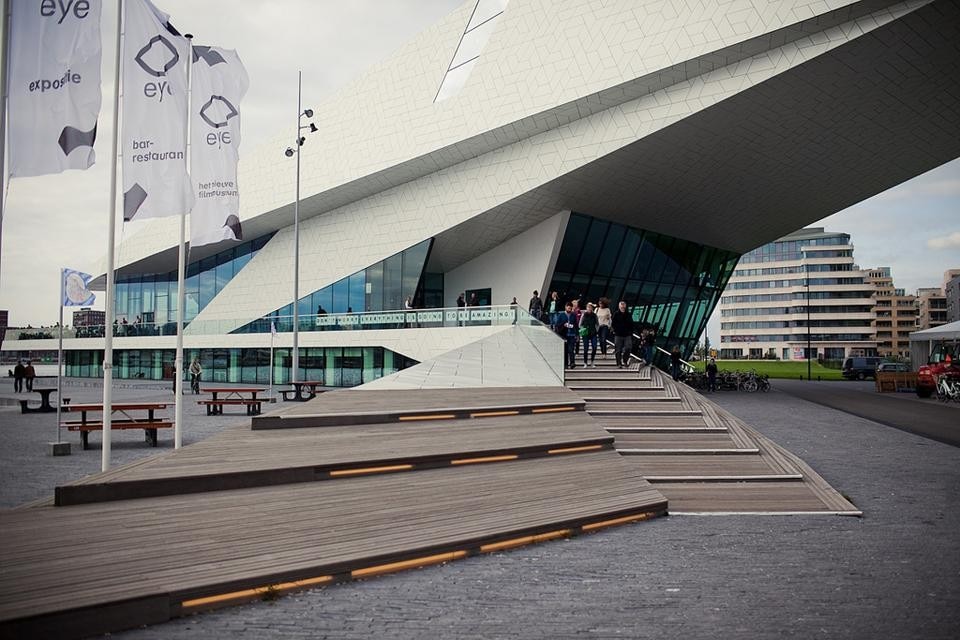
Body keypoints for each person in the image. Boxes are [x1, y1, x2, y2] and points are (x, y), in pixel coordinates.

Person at [611, 301, 634, 368]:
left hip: (627, 334)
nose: (623, 308)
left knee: (628, 348)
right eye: (621, 307)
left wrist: (631, 331)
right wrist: (615, 330)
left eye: (624, 307)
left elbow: (632, 324)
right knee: (618, 350)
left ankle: (625, 360)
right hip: (618, 334)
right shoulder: (616, 314)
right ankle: (619, 363)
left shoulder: (628, 314)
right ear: (619, 307)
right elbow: (613, 323)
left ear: (625, 307)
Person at [580, 302, 599, 367]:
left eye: (590, 307)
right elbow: (580, 324)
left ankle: (592, 361)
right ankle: (585, 362)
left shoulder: (594, 315)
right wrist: (582, 329)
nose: (589, 309)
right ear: (586, 308)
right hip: (585, 333)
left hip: (593, 332)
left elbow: (597, 324)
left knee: (594, 347)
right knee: (586, 348)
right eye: (588, 307)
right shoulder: (584, 315)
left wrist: (596, 330)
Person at [561, 302, 579, 369]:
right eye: (568, 307)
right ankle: (565, 364)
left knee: (571, 349)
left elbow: (576, 325)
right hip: (564, 335)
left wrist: (577, 335)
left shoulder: (573, 315)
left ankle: (572, 363)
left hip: (571, 334)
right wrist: (564, 324)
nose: (569, 309)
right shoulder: (562, 315)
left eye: (570, 308)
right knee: (565, 350)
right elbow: (557, 324)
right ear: (566, 307)